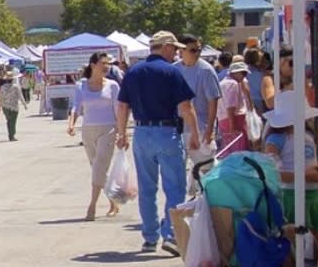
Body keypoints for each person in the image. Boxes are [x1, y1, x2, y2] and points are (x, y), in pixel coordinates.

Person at [112, 32, 199, 255]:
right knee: (174, 187)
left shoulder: (133, 71)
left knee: (147, 187)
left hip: (142, 132)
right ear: (166, 47)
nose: (177, 53)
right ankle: (171, 235)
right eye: (175, 48)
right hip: (167, 132)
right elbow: (186, 107)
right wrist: (195, 133)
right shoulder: (172, 72)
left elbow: (122, 107)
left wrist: (122, 134)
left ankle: (149, 237)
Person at [266, 53, 318, 267]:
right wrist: (304, 175)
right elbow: (273, 173)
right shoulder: (276, 140)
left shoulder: (307, 134)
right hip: (289, 196)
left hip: (311, 195)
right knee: (294, 252)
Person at [66, 53, 124, 221]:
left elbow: (118, 109)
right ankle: (113, 200)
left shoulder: (112, 86)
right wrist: (71, 123)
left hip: (108, 129)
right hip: (88, 130)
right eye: (102, 63)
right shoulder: (81, 85)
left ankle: (92, 205)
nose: (106, 67)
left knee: (99, 166)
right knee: (97, 167)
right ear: (92, 65)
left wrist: (122, 132)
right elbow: (76, 106)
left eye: (108, 64)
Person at [176, 37, 222, 159]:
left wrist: (210, 130)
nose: (197, 53)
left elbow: (213, 101)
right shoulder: (174, 69)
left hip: (201, 128)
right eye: (193, 50)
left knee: (205, 170)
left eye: (199, 50)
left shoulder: (206, 71)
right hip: (177, 129)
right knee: (178, 173)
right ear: (181, 50)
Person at [215, 59, 255, 155]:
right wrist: (232, 126)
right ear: (235, 73)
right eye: (243, 73)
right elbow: (230, 106)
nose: (244, 76)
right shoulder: (232, 84)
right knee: (239, 151)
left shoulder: (224, 82)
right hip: (234, 120)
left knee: (230, 149)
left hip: (224, 119)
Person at [0, 67, 26, 142]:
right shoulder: (16, 87)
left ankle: (10, 134)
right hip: (14, 107)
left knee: (9, 121)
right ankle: (12, 135)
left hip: (5, 107)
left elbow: (0, 96)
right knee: (13, 121)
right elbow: (20, 96)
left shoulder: (2, 87)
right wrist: (24, 105)